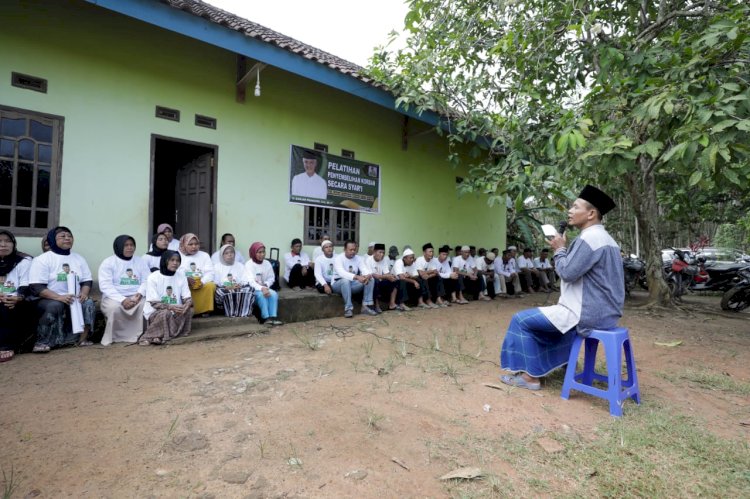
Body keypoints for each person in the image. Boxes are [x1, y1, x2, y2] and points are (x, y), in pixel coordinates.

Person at [500, 185, 625, 390]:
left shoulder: (589, 239)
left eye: (575, 207)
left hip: (587, 313)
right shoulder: (608, 240)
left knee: (520, 320)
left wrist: (559, 249)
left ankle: (530, 378)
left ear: (591, 213)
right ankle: (562, 363)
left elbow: (567, 272)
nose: (569, 211)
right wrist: (563, 250)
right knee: (552, 323)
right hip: (607, 313)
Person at [28, 226, 96, 351]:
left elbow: (87, 280)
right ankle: (42, 342)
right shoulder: (43, 259)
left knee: (88, 303)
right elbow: (36, 287)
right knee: (55, 305)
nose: (67, 238)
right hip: (49, 298)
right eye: (62, 236)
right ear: (53, 239)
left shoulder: (79, 258)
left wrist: (84, 293)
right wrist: (59, 297)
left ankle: (81, 339)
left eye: (69, 236)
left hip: (74, 297)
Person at [98, 235, 151, 346]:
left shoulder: (140, 261)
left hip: (136, 296)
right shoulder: (108, 262)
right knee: (114, 308)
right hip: (114, 297)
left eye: (132, 245)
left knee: (146, 305)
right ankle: (114, 337)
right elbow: (105, 285)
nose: (129, 248)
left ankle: (144, 336)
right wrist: (122, 299)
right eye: (126, 245)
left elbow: (147, 280)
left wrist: (140, 294)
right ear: (118, 246)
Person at [140, 251, 193, 345]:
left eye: (177, 260)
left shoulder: (181, 276)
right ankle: (149, 336)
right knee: (166, 313)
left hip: (176, 310)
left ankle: (159, 336)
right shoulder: (153, 277)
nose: (175, 263)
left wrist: (187, 304)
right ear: (165, 261)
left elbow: (187, 297)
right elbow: (154, 303)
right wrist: (170, 306)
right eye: (172, 260)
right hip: (156, 311)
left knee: (189, 310)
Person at [0, 230, 33, 362]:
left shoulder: (23, 261)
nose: (3, 244)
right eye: (0, 241)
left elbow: (25, 285)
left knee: (6, 305)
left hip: (17, 299)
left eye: (7, 241)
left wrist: (18, 297)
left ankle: (5, 346)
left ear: (13, 244)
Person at [331, 240, 376, 318]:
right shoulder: (338, 258)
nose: (353, 252)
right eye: (350, 250)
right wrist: (357, 277)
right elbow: (342, 273)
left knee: (371, 279)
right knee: (345, 280)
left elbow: (364, 269)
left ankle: (366, 306)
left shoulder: (359, 258)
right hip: (338, 284)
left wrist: (367, 275)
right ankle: (348, 309)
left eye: (354, 250)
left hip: (352, 285)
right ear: (344, 249)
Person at [177, 233, 216, 317]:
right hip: (185, 284)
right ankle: (187, 310)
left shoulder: (204, 255)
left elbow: (210, 272)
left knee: (210, 285)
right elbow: (175, 272)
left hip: (200, 283)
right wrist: (186, 280)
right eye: (190, 244)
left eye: (196, 244)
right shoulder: (177, 255)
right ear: (183, 244)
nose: (194, 246)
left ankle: (204, 310)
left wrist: (202, 281)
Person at [244, 242, 282, 325]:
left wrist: (266, 285)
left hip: (264, 287)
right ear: (253, 252)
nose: (262, 254)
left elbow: (271, 278)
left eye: (263, 252)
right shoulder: (249, 264)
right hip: (253, 289)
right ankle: (266, 319)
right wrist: (262, 288)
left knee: (274, 294)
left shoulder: (267, 263)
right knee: (262, 296)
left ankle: (272, 317)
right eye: (259, 252)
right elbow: (251, 282)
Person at [213, 244, 254, 317]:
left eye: (232, 252)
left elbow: (245, 279)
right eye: (226, 253)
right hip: (224, 288)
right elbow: (216, 282)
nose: (230, 255)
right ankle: (229, 311)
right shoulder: (217, 267)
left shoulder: (240, 265)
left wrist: (239, 285)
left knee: (250, 289)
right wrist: (228, 286)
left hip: (238, 287)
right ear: (222, 255)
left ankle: (243, 312)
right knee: (220, 292)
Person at [365, 243, 398, 312]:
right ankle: (376, 306)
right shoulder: (368, 260)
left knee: (395, 280)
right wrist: (386, 276)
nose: (382, 254)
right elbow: (372, 275)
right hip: (372, 281)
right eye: (380, 252)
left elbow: (387, 273)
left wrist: (391, 276)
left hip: (381, 280)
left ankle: (392, 304)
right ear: (374, 252)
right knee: (375, 281)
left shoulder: (383, 260)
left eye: (383, 253)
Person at [414, 243, 443, 308]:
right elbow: (421, 273)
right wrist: (431, 271)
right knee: (423, 279)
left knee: (438, 277)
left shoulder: (433, 260)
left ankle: (438, 299)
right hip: (418, 278)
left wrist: (428, 275)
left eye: (432, 251)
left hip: (428, 277)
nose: (432, 253)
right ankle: (428, 301)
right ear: (424, 252)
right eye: (430, 251)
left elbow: (435, 272)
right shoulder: (419, 260)